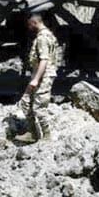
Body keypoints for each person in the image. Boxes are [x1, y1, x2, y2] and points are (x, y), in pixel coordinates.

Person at [16, 13, 58, 143]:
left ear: (34, 22)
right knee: (25, 102)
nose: (28, 27)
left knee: (39, 108)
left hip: (43, 76)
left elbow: (44, 60)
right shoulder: (48, 36)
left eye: (29, 24)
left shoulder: (42, 38)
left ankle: (46, 136)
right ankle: (32, 133)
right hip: (39, 75)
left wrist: (35, 79)